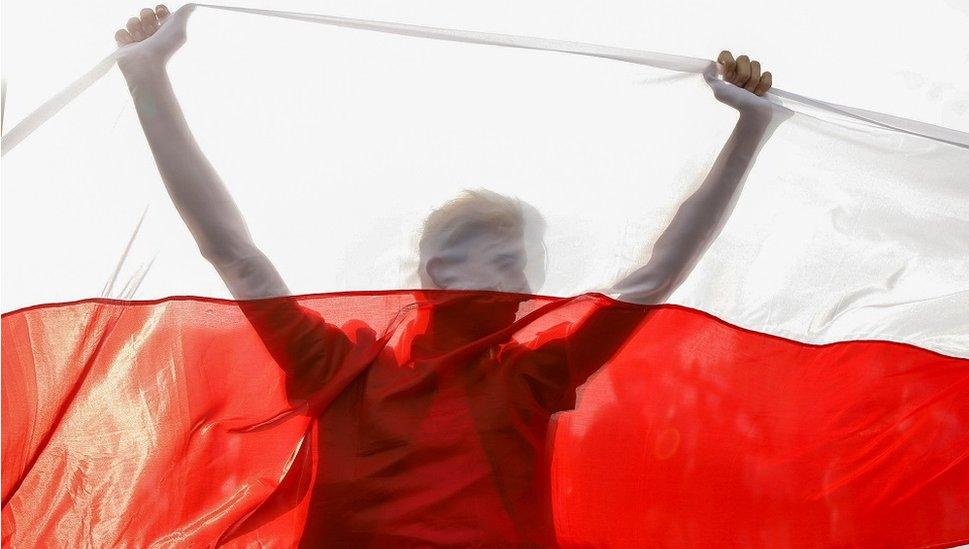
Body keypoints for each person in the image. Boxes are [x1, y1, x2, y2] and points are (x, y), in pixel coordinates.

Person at [115, 5, 782, 546]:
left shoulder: (532, 374)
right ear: (433, 270)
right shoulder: (340, 365)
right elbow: (233, 250)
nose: (512, 270)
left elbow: (654, 275)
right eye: (488, 250)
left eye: (518, 257)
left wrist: (748, 132)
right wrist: (149, 78)